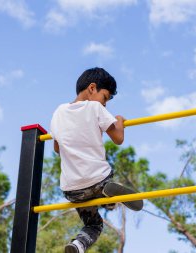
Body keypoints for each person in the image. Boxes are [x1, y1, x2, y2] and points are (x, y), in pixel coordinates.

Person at [50, 67, 143, 253]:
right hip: (98, 179)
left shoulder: (59, 112)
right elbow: (118, 138)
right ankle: (108, 197)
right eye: (105, 97)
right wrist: (119, 121)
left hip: (72, 190)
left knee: (94, 224)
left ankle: (78, 246)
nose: (105, 104)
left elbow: (57, 148)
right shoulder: (95, 108)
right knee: (104, 178)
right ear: (92, 88)